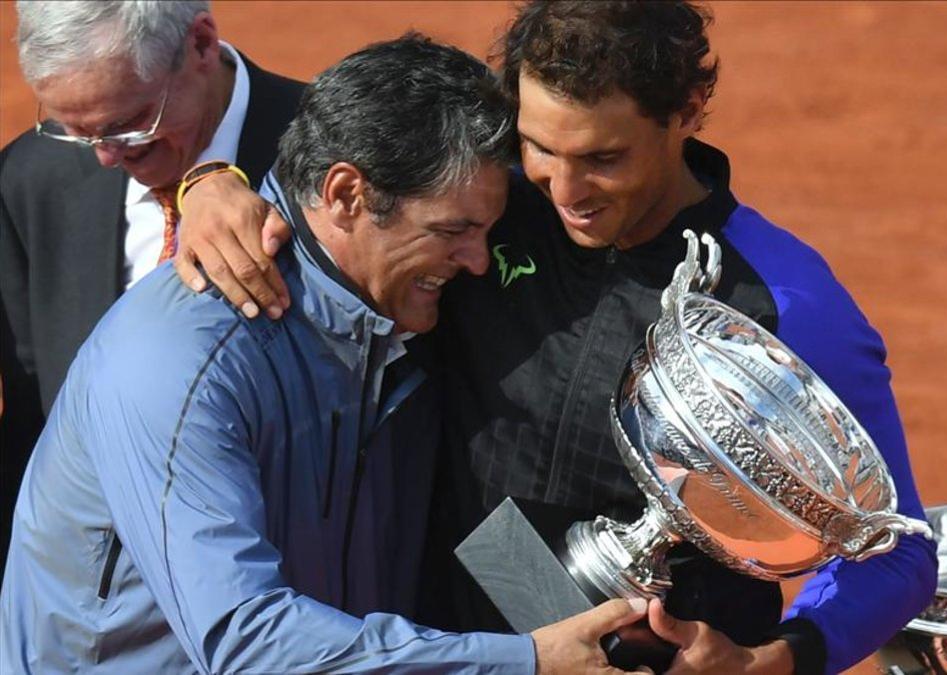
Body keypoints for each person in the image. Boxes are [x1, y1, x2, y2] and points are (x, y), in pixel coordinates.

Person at [177, 3, 939, 673]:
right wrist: (213, 180)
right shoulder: (487, 197)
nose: (565, 192)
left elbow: (896, 548)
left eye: (604, 159)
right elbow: (341, 155)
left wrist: (775, 660)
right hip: (440, 648)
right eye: (541, 147)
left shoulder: (783, 300)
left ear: (691, 108)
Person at [0, 34, 646, 674]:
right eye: (453, 231)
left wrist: (587, 637)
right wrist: (527, 660)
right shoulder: (179, 366)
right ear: (344, 195)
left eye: (483, 229)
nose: (479, 260)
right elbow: (246, 643)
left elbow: (467, 505)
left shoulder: (401, 306)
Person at [0, 0, 303, 574]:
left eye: (131, 120)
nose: (109, 157)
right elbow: (33, 430)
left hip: (286, 582)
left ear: (201, 44)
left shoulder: (338, 159)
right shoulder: (31, 178)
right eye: (78, 130)